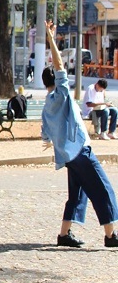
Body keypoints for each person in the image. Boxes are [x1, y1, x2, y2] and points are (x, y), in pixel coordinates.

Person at [40, 21, 118, 248]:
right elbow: (59, 64)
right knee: (103, 189)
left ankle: (64, 234)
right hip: (80, 153)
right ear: (55, 79)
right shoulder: (62, 94)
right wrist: (51, 39)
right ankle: (111, 235)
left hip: (68, 156)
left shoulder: (47, 105)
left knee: (77, 194)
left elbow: (45, 136)